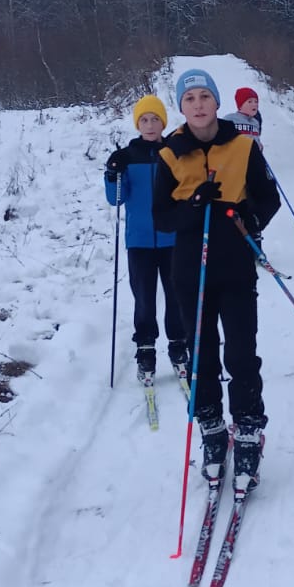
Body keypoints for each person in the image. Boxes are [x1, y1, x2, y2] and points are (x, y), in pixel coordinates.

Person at [154, 68, 280, 484]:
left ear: (216, 101)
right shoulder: (171, 153)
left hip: (236, 264)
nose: (198, 105)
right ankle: (211, 428)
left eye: (204, 96)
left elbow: (268, 197)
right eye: (189, 99)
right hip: (191, 270)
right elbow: (162, 216)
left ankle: (247, 428)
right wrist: (192, 204)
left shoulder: (242, 146)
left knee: (242, 353)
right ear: (181, 107)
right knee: (202, 355)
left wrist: (250, 215)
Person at [104, 96, 189, 385]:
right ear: (137, 124)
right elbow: (116, 198)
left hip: (171, 238)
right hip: (139, 240)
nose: (150, 125)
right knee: (144, 297)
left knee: (176, 295)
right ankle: (145, 348)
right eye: (144, 120)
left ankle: (179, 345)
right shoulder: (128, 155)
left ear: (163, 123)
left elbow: (185, 189)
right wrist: (112, 173)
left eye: (155, 119)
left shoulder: (172, 152)